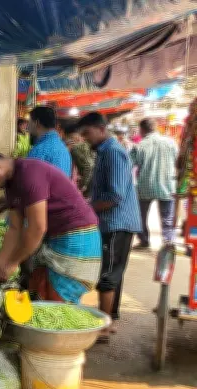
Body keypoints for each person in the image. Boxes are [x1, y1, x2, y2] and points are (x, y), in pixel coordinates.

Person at [0, 150, 102, 303]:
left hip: (78, 238)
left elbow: (37, 228)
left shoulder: (29, 173)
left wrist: (11, 263)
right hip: (56, 237)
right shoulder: (10, 185)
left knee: (58, 300)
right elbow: (14, 230)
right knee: (42, 291)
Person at [77, 113, 142, 338]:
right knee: (114, 272)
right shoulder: (105, 152)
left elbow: (114, 196)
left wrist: (88, 208)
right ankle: (110, 318)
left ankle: (104, 326)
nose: (85, 139)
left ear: (101, 129)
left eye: (87, 133)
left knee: (108, 274)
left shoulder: (113, 153)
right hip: (115, 222)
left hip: (117, 222)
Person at [130, 118, 178, 249]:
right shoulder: (171, 143)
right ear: (155, 128)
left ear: (142, 130)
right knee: (167, 218)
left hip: (146, 186)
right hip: (167, 185)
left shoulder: (139, 146)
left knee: (140, 216)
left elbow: (129, 164)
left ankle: (144, 240)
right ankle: (168, 242)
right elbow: (178, 161)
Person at [27, 106, 72, 177]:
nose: (27, 125)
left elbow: (30, 181)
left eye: (29, 121)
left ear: (37, 122)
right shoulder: (62, 147)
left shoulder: (40, 150)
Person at [64, 125, 95, 196]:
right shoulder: (86, 145)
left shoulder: (76, 149)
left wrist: (82, 185)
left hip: (87, 187)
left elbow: (88, 166)